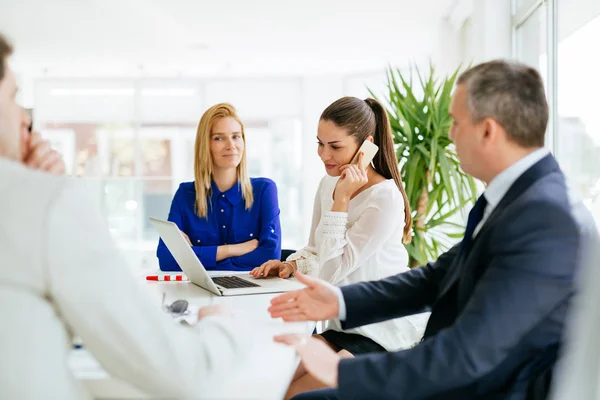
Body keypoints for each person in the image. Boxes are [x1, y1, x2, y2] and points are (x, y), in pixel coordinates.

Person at [269, 60, 590, 400]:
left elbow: (470, 353)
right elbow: (435, 277)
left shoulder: (541, 216)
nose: (449, 134)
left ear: (488, 131)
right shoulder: (519, 197)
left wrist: (342, 371)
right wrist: (340, 301)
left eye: (456, 123)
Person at [0, 33, 261, 399]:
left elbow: (266, 252)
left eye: (236, 136)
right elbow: (184, 371)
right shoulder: (48, 201)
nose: (24, 118)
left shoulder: (262, 190)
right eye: (13, 97)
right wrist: (220, 321)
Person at [250, 96, 429, 398]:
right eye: (320, 143)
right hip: (341, 327)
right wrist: (292, 265)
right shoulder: (327, 184)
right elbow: (316, 250)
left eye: (335, 146)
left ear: (366, 147)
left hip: (380, 331)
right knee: (273, 386)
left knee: (296, 396)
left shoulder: (384, 198)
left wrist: (342, 200)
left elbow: (331, 272)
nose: (324, 155)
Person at [156, 102, 281, 271]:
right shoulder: (185, 195)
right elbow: (166, 260)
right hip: (200, 292)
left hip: (252, 291)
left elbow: (270, 257)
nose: (231, 145)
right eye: (219, 138)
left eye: (236, 136)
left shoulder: (265, 190)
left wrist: (195, 257)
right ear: (205, 145)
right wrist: (233, 249)